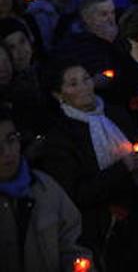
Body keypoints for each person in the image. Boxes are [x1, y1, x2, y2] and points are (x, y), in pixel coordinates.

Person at [36, 58, 138, 270]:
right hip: (101, 229)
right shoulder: (61, 138)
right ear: (58, 94)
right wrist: (122, 168)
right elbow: (74, 193)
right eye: (73, 84)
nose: (83, 87)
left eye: (86, 79)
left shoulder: (114, 114)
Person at [0, 108, 92, 272]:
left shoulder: (45, 189)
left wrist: (77, 265)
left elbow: (73, 242)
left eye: (11, 140)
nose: (7, 152)